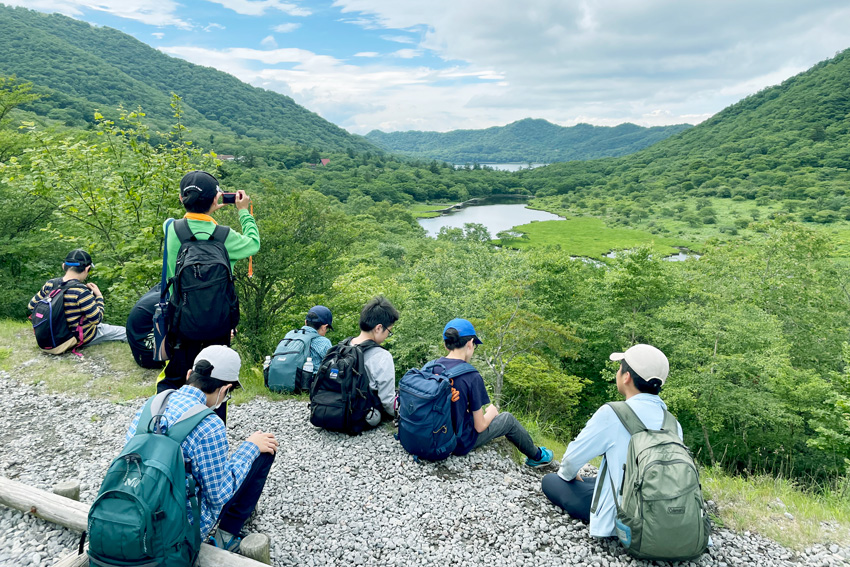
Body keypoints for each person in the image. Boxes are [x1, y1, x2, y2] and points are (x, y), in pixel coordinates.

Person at [125, 345, 278, 553]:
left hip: (135, 507)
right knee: (262, 452)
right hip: (177, 530)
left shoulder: (153, 403)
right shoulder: (210, 425)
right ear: (224, 390)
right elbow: (219, 495)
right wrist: (249, 447)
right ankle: (226, 536)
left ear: (190, 374)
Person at [541, 344, 682, 537]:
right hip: (664, 513)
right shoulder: (672, 422)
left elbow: (571, 462)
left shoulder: (613, 413)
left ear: (626, 377)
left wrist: (569, 475)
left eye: (619, 367)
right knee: (595, 479)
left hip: (624, 517)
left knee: (551, 481)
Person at [157, 170, 260, 406]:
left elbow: (179, 219)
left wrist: (209, 204)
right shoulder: (225, 237)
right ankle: (213, 431)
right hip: (218, 325)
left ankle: (169, 425)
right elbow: (254, 243)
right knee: (216, 382)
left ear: (182, 199)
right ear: (216, 200)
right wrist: (243, 211)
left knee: (175, 380)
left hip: (181, 324)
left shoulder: (171, 229)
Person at [439, 318, 554, 467]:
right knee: (508, 420)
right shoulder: (471, 376)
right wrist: (492, 412)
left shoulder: (432, 367)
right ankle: (538, 456)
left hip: (436, 434)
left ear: (446, 345)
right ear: (470, 344)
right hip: (457, 443)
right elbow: (480, 426)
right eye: (474, 345)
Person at [28, 249, 127, 349]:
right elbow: (96, 319)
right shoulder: (80, 291)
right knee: (125, 332)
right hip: (76, 338)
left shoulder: (51, 284)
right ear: (87, 269)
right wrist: (99, 296)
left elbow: (31, 306)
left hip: (50, 338)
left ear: (64, 266)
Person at [350, 296, 399, 420]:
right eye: (389, 331)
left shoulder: (344, 346)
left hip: (335, 407)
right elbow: (388, 401)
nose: (388, 335)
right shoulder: (382, 356)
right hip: (360, 415)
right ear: (378, 328)